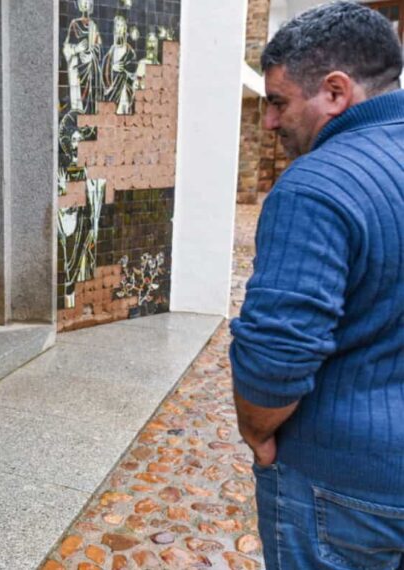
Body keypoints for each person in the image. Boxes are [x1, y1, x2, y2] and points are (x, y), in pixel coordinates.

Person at [229, 3, 404, 568]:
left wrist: (256, 431)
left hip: (343, 484)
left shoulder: (317, 185)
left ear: (334, 91)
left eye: (278, 102)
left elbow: (277, 350)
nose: (269, 121)